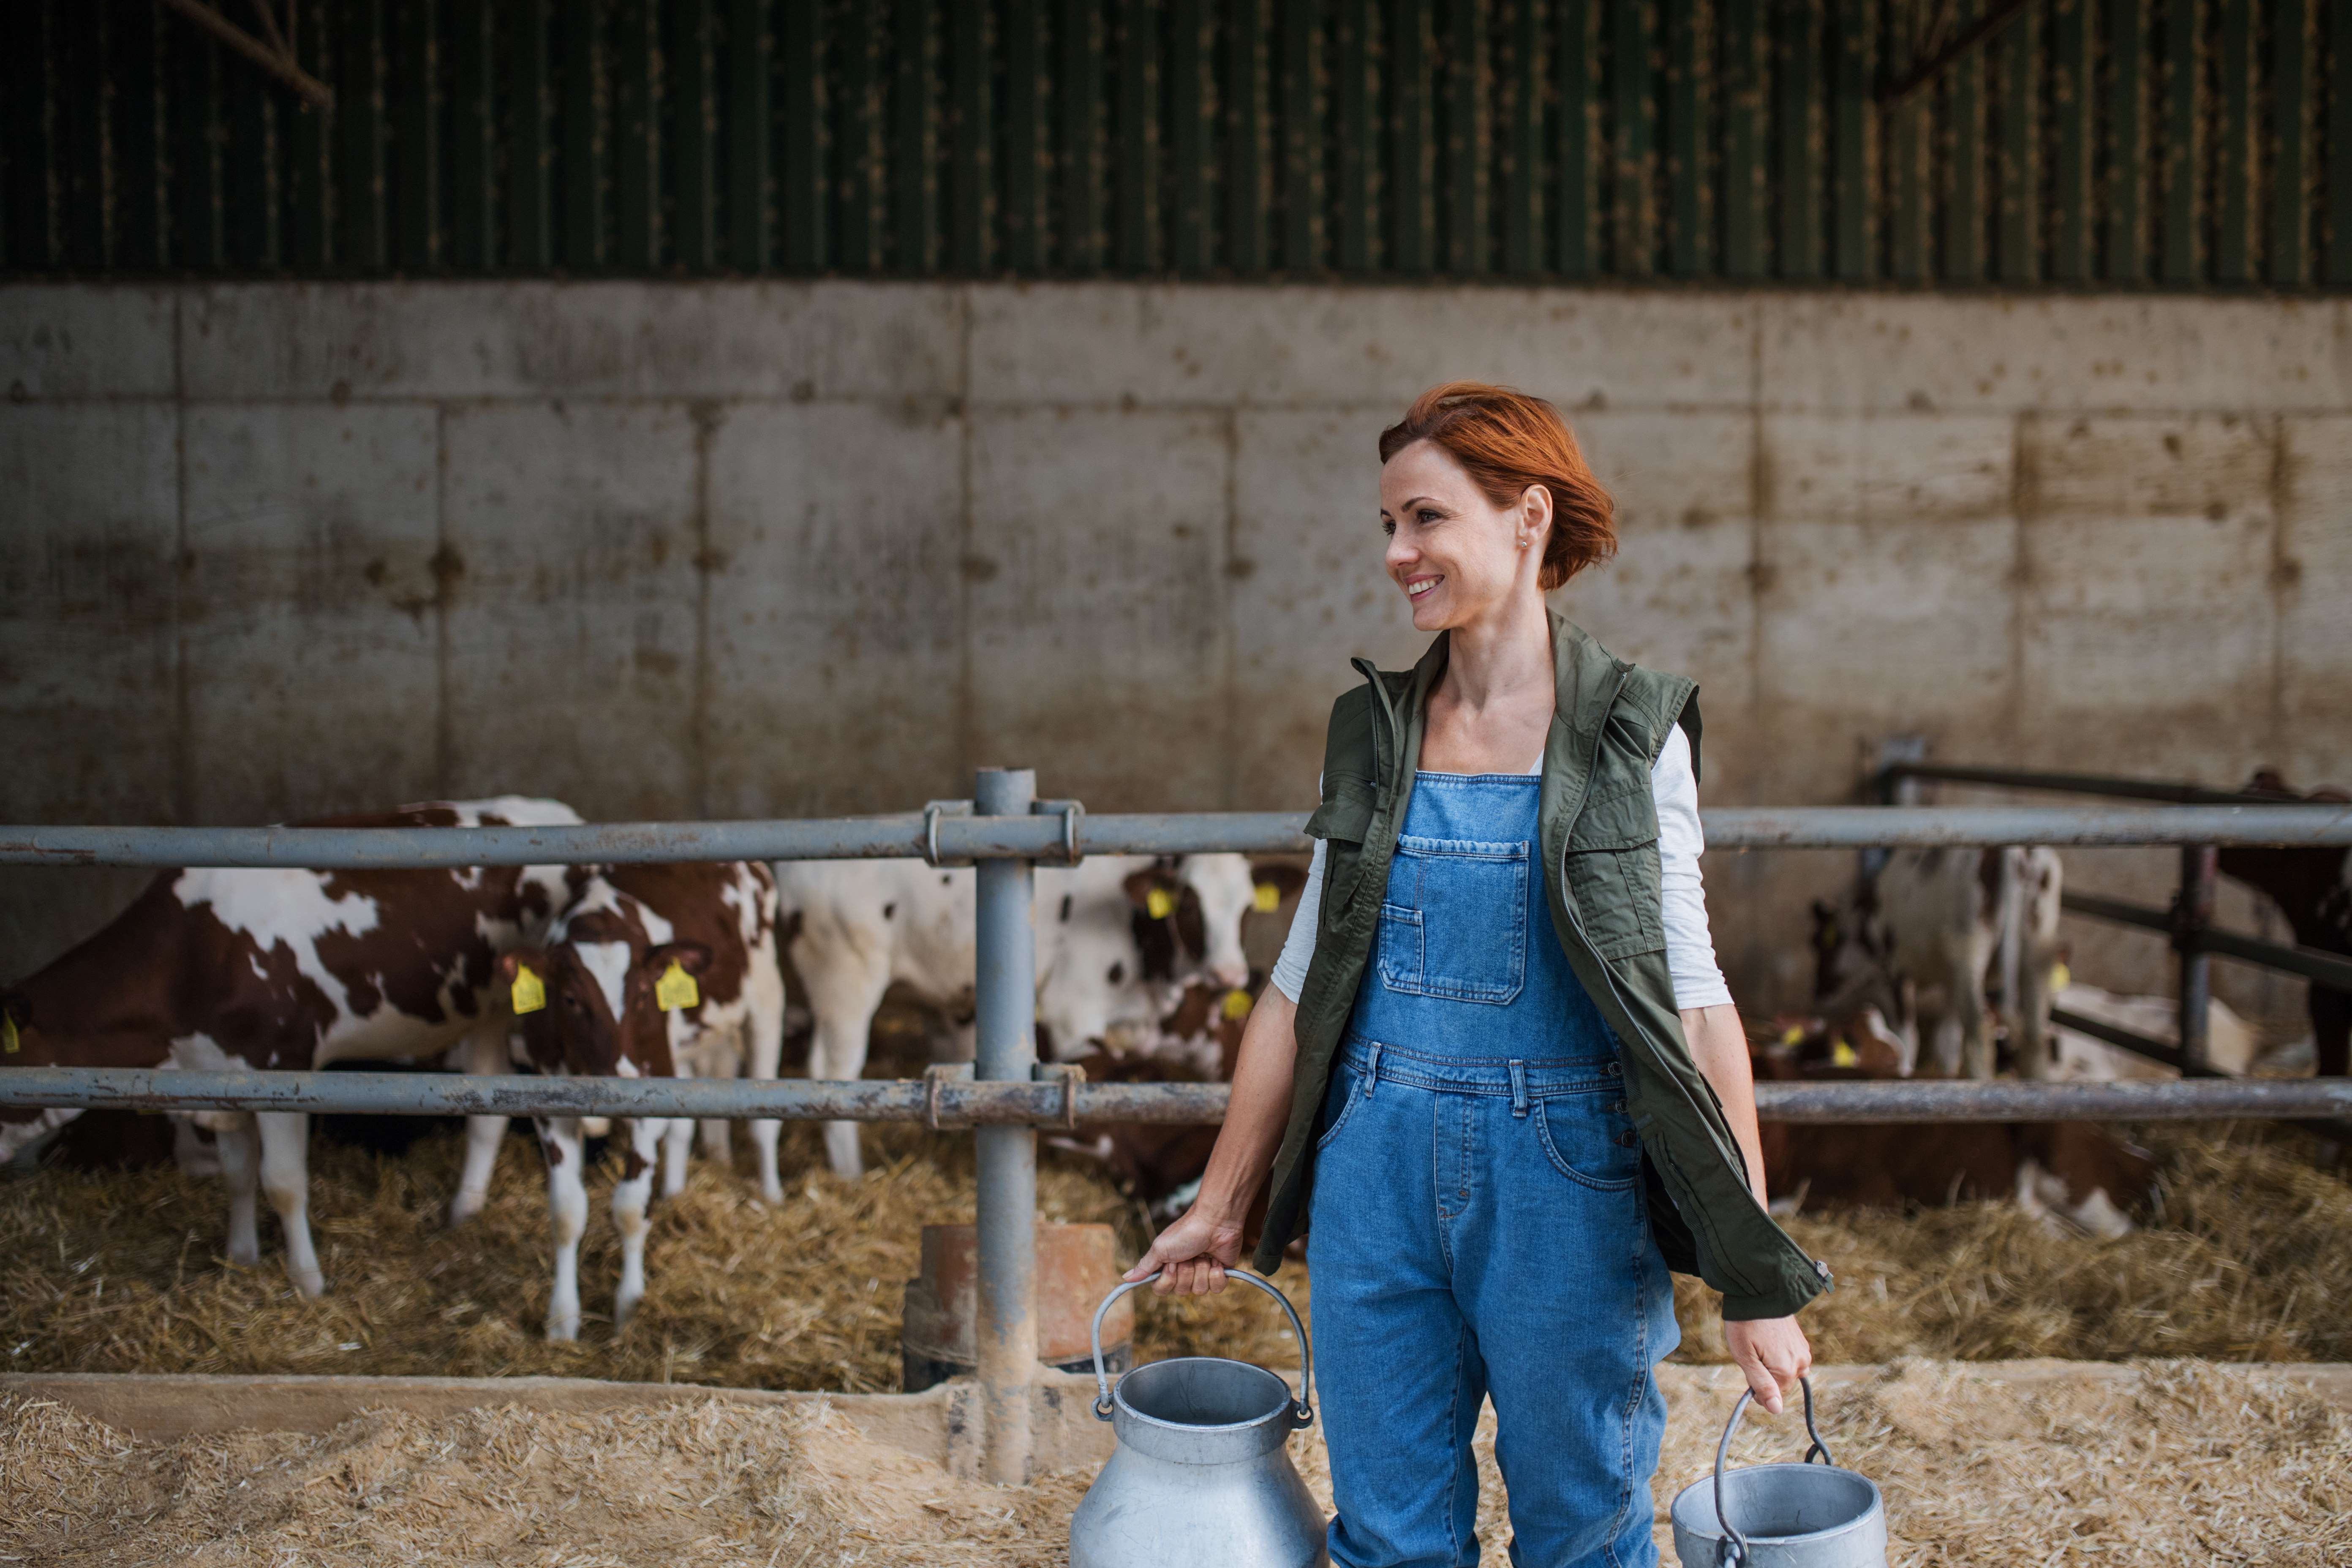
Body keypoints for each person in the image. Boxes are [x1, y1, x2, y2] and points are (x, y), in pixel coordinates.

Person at [1123, 383, 1827, 1567]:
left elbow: (1697, 1005)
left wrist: (1753, 1268)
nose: (1398, 554)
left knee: (1581, 1538)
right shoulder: (1371, 728)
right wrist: (1223, 1198)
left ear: (1528, 519)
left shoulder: (1631, 731)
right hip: (1372, 1168)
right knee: (1390, 1541)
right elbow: (1297, 985)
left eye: (1426, 520)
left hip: (1567, 1180)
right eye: (1390, 525)